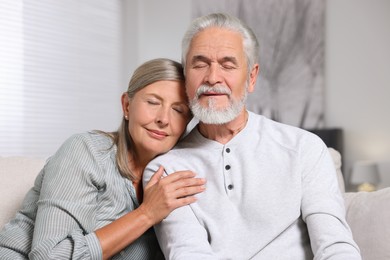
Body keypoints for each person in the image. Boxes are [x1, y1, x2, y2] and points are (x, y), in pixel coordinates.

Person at [143, 13, 362, 259]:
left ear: (252, 77)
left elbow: (335, 247)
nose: (213, 78)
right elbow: (188, 254)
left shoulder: (304, 148)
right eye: (200, 64)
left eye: (227, 65)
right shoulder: (166, 170)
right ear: (185, 78)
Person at [0, 58, 206, 259]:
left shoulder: (174, 181)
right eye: (153, 102)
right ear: (126, 106)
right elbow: (50, 256)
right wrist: (147, 214)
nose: (163, 119)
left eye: (178, 110)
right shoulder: (85, 151)